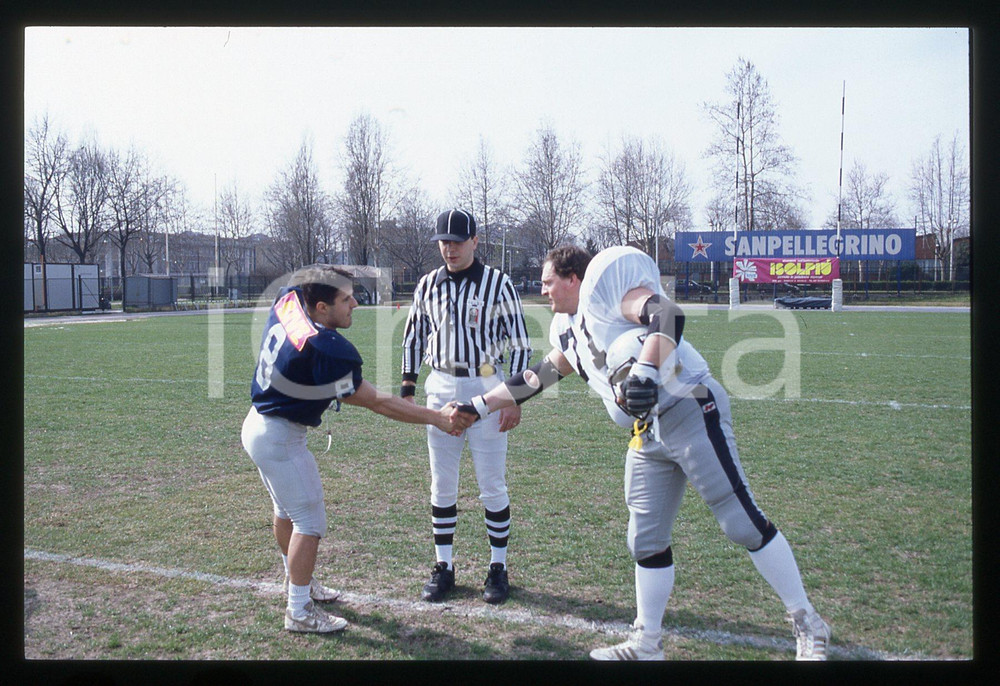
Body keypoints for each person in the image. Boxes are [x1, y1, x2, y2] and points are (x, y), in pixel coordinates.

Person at [454, 244, 831, 660]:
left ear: (574, 278)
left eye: (548, 282)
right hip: (647, 429)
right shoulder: (565, 328)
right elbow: (538, 376)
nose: (543, 291)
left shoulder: (610, 291)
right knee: (645, 540)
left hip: (687, 404)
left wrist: (647, 372)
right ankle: (648, 642)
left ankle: (809, 624)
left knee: (741, 522)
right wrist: (479, 406)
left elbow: (668, 315)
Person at [242, 264, 473, 633]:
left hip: (258, 424)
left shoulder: (290, 301)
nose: (355, 304)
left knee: (286, 512)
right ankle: (299, 610)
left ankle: (297, 581)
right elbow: (378, 402)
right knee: (309, 522)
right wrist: (437, 418)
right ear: (320, 307)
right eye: (346, 299)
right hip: (279, 436)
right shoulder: (326, 347)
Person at [401, 209, 532, 605]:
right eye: (444, 241)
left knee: (491, 484)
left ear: (475, 241)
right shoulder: (428, 284)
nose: (449, 248)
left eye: (457, 241)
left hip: (486, 384)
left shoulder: (498, 283)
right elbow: (413, 335)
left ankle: (498, 567)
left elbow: (521, 344)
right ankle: (444, 566)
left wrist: (514, 398)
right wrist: (408, 388)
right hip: (440, 384)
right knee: (442, 483)